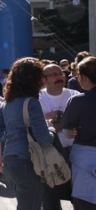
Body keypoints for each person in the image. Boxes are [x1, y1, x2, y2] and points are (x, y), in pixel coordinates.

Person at [0, 57, 54, 210]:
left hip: (10, 162)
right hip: (28, 163)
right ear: (34, 79)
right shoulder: (32, 102)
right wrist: (52, 129)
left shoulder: (7, 104)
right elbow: (44, 139)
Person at [39, 63, 79, 210]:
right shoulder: (38, 98)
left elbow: (78, 120)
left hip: (75, 150)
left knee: (77, 192)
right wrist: (58, 120)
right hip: (51, 152)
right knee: (51, 194)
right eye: (54, 75)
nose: (59, 77)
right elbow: (38, 124)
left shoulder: (74, 95)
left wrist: (54, 117)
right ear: (44, 80)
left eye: (61, 74)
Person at [62, 56, 96, 209]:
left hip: (85, 158)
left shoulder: (77, 101)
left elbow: (67, 126)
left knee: (84, 202)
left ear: (83, 77)